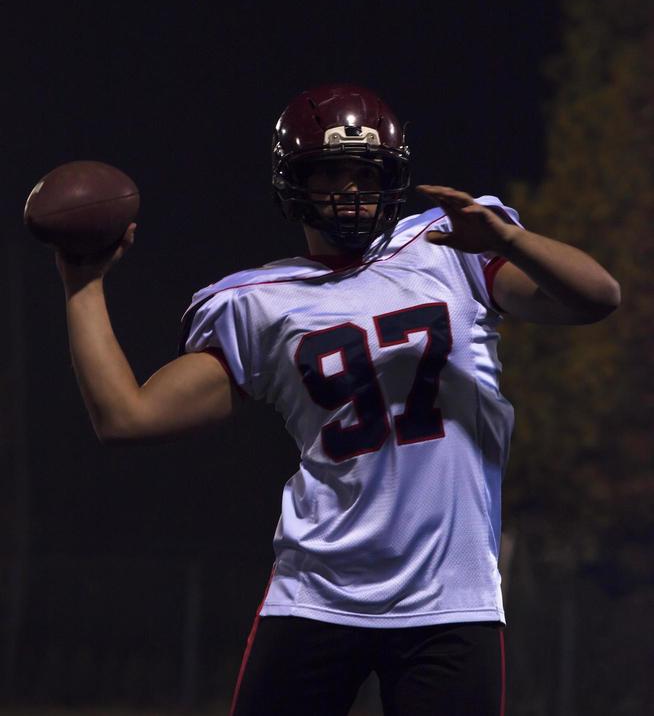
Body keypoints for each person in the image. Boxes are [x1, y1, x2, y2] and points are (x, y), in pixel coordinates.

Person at [56, 84, 620, 716]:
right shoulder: (258, 302)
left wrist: (509, 239)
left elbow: (597, 297)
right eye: (330, 173)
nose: (350, 189)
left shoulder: (449, 251)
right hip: (317, 593)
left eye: (365, 172)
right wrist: (83, 285)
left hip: (450, 599)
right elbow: (126, 418)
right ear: (293, 181)